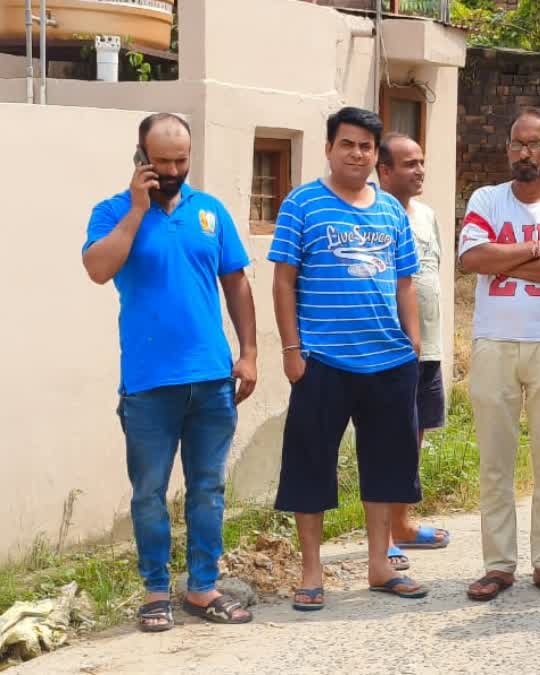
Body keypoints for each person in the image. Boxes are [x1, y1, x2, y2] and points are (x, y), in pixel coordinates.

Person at [83, 113, 256, 631]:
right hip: (148, 383)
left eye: (183, 161)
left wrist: (248, 352)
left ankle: (203, 588)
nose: (175, 170)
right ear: (141, 158)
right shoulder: (112, 212)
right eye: (163, 161)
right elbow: (97, 269)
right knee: (149, 492)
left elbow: (237, 283)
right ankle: (156, 590)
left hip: (211, 378)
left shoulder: (210, 212)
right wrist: (137, 210)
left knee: (207, 488)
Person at [269, 107, 426, 611]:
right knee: (310, 465)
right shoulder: (302, 204)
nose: (356, 154)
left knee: (386, 465)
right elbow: (283, 280)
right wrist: (293, 351)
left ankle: (380, 565)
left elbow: (405, 282)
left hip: (388, 361)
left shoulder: (391, 212)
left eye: (366, 146)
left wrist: (414, 342)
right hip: (323, 362)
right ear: (329, 148)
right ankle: (311, 572)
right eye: (347, 144)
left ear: (376, 155)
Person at [458, 108, 540, 601]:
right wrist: (535, 251)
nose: (524, 153)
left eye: (536, 145)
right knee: (495, 461)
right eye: (517, 144)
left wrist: (506, 259)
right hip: (493, 342)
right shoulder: (486, 198)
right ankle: (498, 566)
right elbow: (472, 259)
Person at [376, 133, 451, 570]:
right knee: (388, 441)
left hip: (430, 346)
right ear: (384, 171)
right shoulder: (373, 216)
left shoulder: (427, 215)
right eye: (409, 164)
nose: (419, 170)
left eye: (421, 162)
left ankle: (402, 524)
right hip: (391, 350)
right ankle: (382, 536)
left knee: (414, 438)